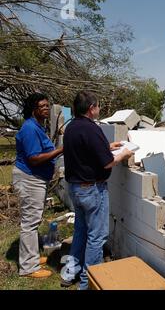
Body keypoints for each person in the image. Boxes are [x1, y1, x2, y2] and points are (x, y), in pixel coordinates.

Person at [61, 91, 133, 289]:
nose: (99, 109)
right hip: (92, 190)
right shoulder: (92, 129)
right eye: (98, 106)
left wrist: (108, 146)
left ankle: (69, 274)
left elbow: (85, 150)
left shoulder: (72, 127)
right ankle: (87, 283)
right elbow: (108, 163)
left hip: (75, 188)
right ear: (92, 109)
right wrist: (124, 154)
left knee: (81, 231)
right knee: (97, 236)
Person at [13, 93, 63, 278]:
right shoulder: (30, 129)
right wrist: (60, 150)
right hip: (30, 178)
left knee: (33, 220)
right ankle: (28, 267)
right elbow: (34, 159)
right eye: (42, 106)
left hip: (35, 178)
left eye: (47, 105)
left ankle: (31, 257)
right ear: (33, 109)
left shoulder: (37, 127)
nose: (46, 108)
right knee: (30, 223)